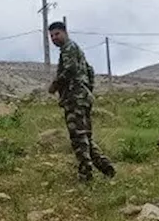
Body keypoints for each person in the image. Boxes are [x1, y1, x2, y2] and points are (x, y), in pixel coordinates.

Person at [47, 21, 116, 181]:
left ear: (65, 32)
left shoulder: (69, 49)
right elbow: (90, 71)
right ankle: (105, 166)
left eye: (57, 34)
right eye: (51, 36)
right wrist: (87, 91)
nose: (54, 38)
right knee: (85, 136)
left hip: (74, 98)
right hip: (82, 98)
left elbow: (70, 70)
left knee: (78, 137)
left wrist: (55, 85)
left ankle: (86, 174)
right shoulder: (75, 49)